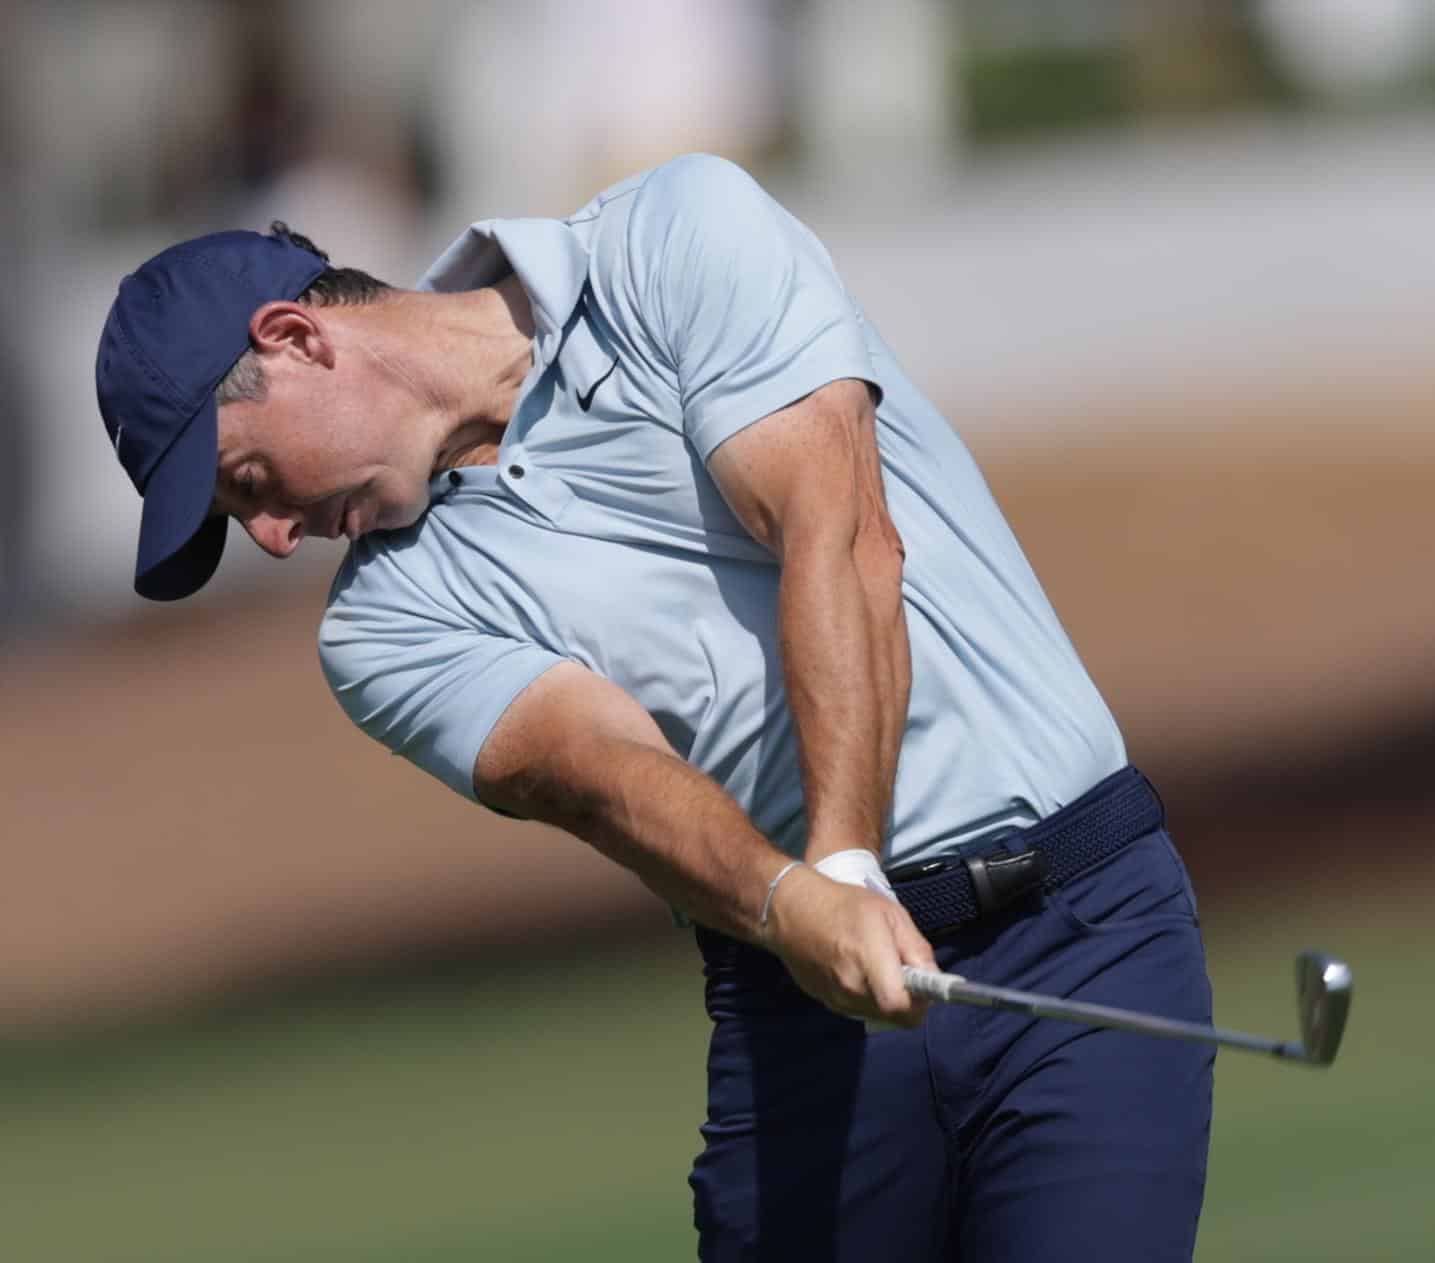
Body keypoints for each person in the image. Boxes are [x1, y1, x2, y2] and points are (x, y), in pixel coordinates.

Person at [95, 155, 1214, 1260]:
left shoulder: (669, 238)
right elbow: (603, 777)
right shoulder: (381, 628)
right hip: (799, 1012)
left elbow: (836, 534)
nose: (277, 537)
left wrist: (842, 867)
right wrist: (791, 906)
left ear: (296, 339)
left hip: (1079, 925)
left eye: (247, 485)